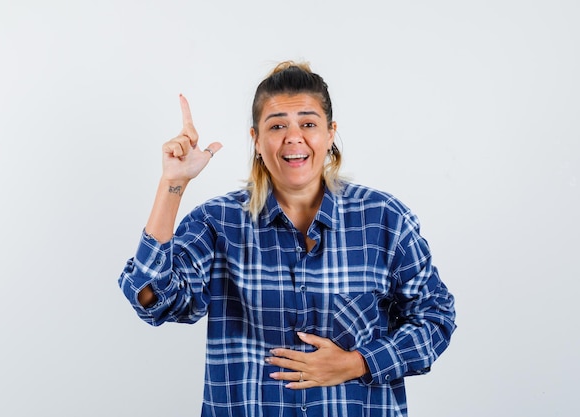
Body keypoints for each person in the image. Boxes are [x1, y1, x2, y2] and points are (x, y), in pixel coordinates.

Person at [118, 61, 456, 417]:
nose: (294, 137)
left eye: (308, 124)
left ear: (330, 134)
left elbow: (436, 317)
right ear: (257, 141)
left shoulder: (385, 219)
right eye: (277, 125)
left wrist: (358, 363)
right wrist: (173, 184)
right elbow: (153, 299)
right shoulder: (218, 222)